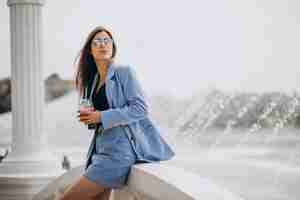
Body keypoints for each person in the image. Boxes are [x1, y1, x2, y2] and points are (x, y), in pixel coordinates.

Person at [59, 26, 175, 200]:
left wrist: (101, 116)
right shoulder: (92, 82)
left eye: (107, 40)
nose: (102, 44)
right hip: (100, 150)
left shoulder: (124, 72)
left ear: (113, 46)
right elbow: (98, 118)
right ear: (90, 51)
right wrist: (91, 118)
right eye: (97, 42)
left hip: (119, 153)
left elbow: (140, 109)